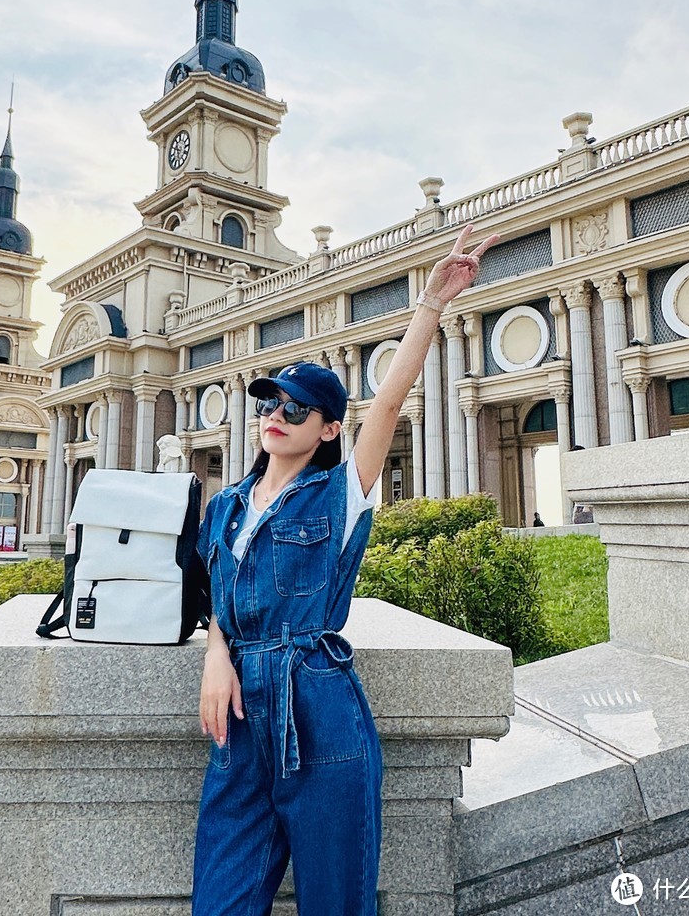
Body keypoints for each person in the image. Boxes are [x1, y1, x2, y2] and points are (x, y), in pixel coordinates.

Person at [192, 224, 498, 916]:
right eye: (269, 403)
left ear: (328, 428)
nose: (276, 415)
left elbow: (388, 403)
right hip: (239, 723)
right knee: (219, 902)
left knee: (337, 903)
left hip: (320, 710)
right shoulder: (227, 505)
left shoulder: (341, 495)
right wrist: (218, 651)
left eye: (296, 409)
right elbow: (211, 593)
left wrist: (430, 303)